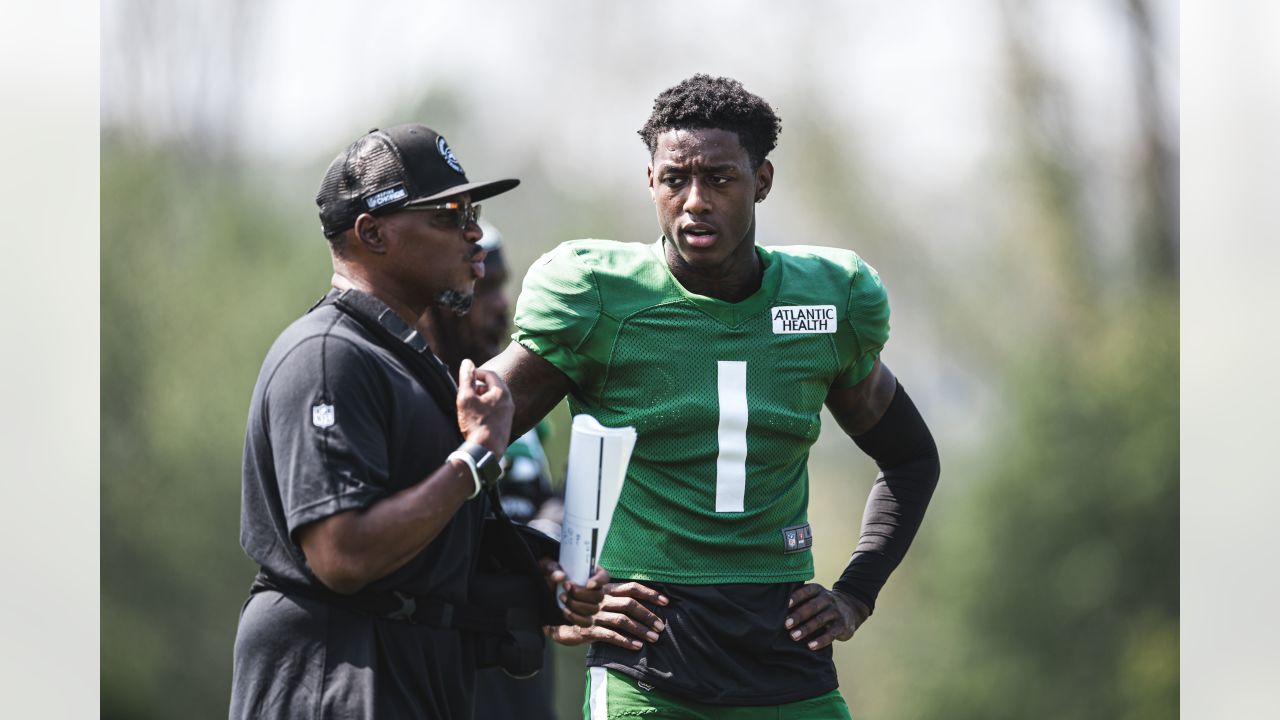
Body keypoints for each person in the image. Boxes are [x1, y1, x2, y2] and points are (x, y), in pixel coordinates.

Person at [483, 75, 942, 718]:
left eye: (720, 179)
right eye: (675, 179)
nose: (695, 202)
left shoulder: (827, 300)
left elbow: (912, 459)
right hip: (645, 656)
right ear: (650, 180)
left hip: (786, 654)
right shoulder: (594, 295)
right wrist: (548, 579)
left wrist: (855, 594)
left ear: (763, 180)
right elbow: (472, 445)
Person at [229, 124, 605, 720]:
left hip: (409, 675)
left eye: (472, 210)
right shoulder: (329, 356)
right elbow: (343, 554)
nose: (474, 232)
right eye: (449, 214)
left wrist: (546, 578)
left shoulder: (407, 362)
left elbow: (438, 553)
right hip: (333, 680)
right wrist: (477, 457)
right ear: (372, 233)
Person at [417, 222, 564, 720]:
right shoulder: (418, 401)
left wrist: (553, 527)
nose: (503, 304)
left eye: (504, 285)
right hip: (451, 672)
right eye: (485, 288)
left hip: (521, 674)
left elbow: (540, 496)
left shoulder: (510, 402)